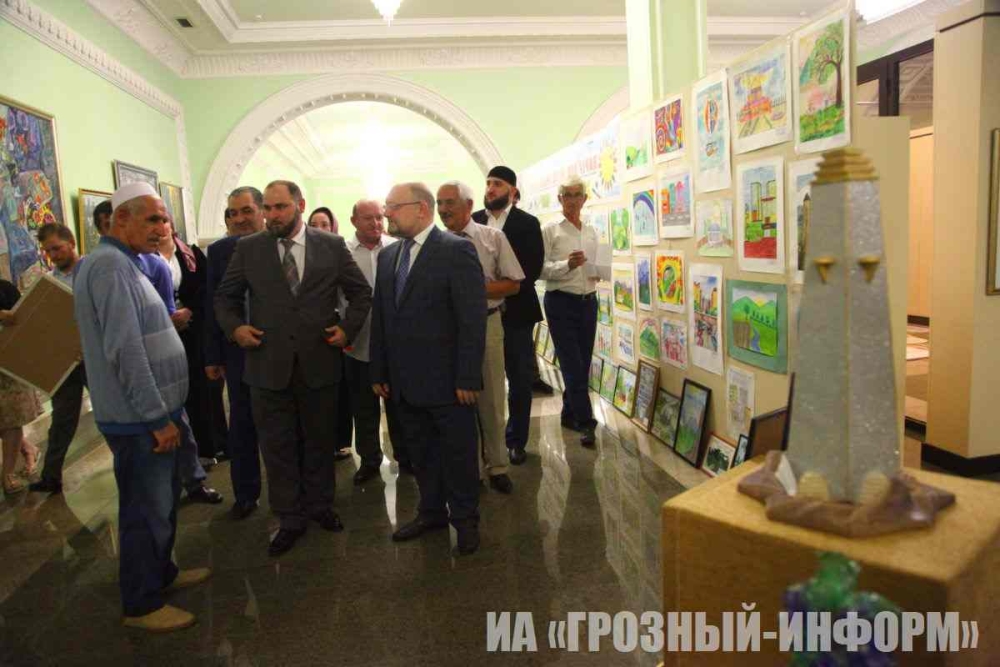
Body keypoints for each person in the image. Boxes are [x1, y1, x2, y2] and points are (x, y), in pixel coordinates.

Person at [74, 182, 210, 632]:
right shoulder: (109, 267)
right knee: (144, 510)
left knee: (162, 503)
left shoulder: (128, 263)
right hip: (138, 420)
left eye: (164, 219)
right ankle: (142, 603)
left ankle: (162, 574)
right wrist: (156, 417)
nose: (161, 228)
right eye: (152, 219)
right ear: (121, 219)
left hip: (155, 413)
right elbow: (126, 351)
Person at [215, 180, 372, 556]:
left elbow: (360, 292)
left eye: (280, 207)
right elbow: (225, 298)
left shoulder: (331, 245)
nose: (272, 215)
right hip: (267, 365)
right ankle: (288, 517)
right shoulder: (249, 248)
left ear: (300, 206)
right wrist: (236, 329)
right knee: (277, 446)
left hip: (319, 361)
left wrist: (346, 329)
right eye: (268, 208)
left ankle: (321, 506)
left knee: (320, 440)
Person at [371, 182, 487, 555]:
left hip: (449, 382)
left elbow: (472, 319)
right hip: (404, 383)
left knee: (458, 455)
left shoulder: (456, 250)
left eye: (393, 206)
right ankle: (431, 512)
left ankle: (466, 521)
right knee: (420, 454)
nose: (386, 214)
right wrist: (379, 370)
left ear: (422, 208)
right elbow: (382, 317)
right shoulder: (388, 256)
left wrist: (468, 376)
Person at [437, 181, 524, 494]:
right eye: (439, 203)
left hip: (487, 324)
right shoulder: (435, 244)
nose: (443, 209)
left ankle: (498, 466)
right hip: (448, 332)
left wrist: (472, 290)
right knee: (459, 404)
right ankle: (470, 470)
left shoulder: (493, 237)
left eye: (449, 202)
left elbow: (514, 283)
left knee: (492, 402)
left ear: (468, 204)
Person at [472, 167, 545, 466]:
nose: (490, 189)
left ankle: (516, 441)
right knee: (482, 381)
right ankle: (486, 444)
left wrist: (497, 288)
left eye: (498, 184)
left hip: (516, 313)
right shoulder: (474, 220)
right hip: (480, 314)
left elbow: (531, 270)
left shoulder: (527, 223)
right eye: (488, 183)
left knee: (519, 379)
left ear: (512, 191)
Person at [205, 186, 265, 519]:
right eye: (232, 213)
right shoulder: (219, 252)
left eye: (246, 211)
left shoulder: (280, 244)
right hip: (237, 353)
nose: (239, 219)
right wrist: (213, 356)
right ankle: (245, 494)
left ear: (262, 211)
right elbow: (213, 303)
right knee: (242, 426)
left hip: (280, 351)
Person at [340, 199, 399, 485]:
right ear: (354, 221)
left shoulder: (396, 248)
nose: (376, 223)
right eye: (368, 218)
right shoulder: (342, 252)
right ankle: (370, 460)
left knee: (398, 406)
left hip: (394, 344)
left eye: (379, 217)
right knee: (363, 408)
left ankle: (405, 456)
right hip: (358, 342)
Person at [159, 221, 228, 463]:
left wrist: (189, 310)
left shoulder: (191, 254)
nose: (160, 227)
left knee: (204, 390)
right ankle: (186, 453)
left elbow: (207, 290)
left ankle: (211, 447)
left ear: (171, 226)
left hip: (194, 329)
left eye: (163, 221)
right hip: (164, 332)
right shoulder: (145, 259)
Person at [540, 176, 600, 446]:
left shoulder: (591, 231)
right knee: (572, 364)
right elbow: (539, 269)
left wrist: (598, 271)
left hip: (588, 301)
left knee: (582, 363)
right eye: (568, 195)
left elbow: (594, 266)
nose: (573, 200)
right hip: (560, 302)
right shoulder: (550, 230)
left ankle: (568, 413)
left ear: (585, 199)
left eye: (577, 195)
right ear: (560, 199)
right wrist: (567, 265)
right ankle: (587, 422)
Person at [29, 223, 86, 494]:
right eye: (48, 251)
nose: (53, 255)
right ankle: (51, 476)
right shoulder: (49, 283)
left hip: (93, 357)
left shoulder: (91, 271)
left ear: (71, 243)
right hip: (66, 361)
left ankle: (132, 468)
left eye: (57, 248)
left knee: (112, 413)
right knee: (62, 418)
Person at [0, 280, 42, 495]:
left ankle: (7, 473)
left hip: (9, 367)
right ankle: (28, 449)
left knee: (11, 419)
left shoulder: (5, 289)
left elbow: (26, 319)